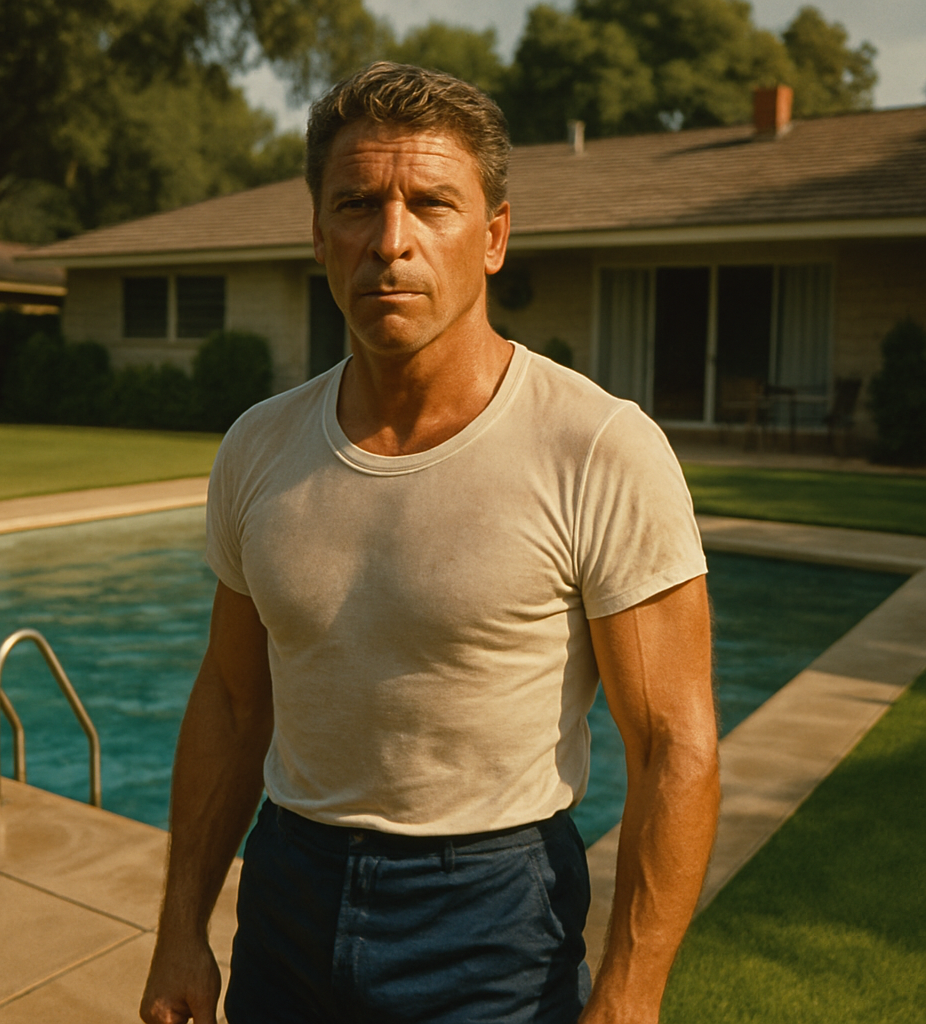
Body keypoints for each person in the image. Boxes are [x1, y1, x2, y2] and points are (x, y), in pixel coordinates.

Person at [140, 62, 719, 1024]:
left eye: (432, 204)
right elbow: (236, 706)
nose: (390, 241)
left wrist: (630, 995)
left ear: (493, 236)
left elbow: (673, 747)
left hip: (492, 919)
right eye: (357, 205)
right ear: (318, 235)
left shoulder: (598, 448)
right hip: (287, 894)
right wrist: (178, 929)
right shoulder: (259, 446)